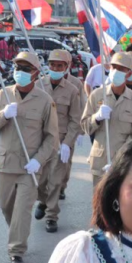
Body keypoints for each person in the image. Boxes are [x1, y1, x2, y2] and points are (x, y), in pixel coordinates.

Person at [0, 51, 60, 263]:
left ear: (36, 73)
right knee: (6, 207)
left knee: (22, 210)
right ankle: (17, 231)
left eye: (26, 69)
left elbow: (51, 137)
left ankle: (16, 251)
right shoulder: (3, 95)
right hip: (7, 163)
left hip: (30, 166)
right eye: (18, 68)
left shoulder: (45, 100)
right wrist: (3, 116)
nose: (21, 73)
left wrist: (39, 160)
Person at [34, 49, 86, 234]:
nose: (55, 68)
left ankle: (51, 216)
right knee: (40, 179)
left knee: (56, 180)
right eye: (52, 65)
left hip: (62, 140)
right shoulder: (38, 85)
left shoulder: (73, 89)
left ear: (66, 67)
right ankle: (42, 200)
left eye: (60, 65)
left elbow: (76, 117)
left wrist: (70, 140)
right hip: (41, 140)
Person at [82, 51, 132, 188]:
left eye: (122, 69)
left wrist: (119, 160)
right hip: (99, 161)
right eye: (114, 67)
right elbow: (85, 126)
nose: (116, 71)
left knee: (119, 206)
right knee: (98, 206)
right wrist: (97, 118)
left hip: (123, 165)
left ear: (129, 74)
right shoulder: (97, 95)